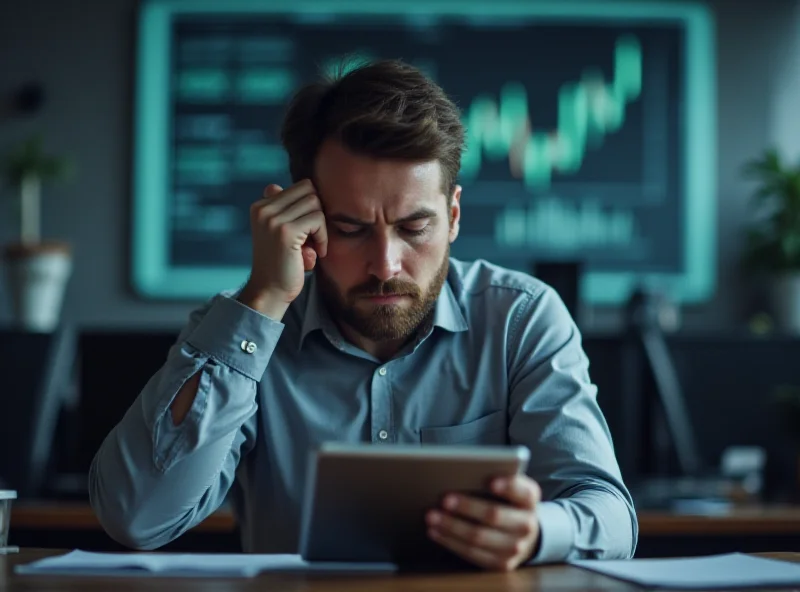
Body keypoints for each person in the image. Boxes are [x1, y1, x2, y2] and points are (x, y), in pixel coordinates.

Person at [89, 59, 637, 571]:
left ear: (453, 216)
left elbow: (610, 515)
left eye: (414, 227)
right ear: (303, 217)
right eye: (350, 229)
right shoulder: (245, 331)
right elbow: (137, 519)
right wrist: (260, 301)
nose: (385, 264)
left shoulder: (521, 319)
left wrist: (538, 529)